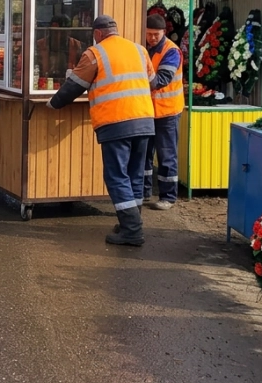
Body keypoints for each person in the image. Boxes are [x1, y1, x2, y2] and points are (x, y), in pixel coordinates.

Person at [47, 15, 155, 246]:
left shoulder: (94, 54)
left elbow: (73, 86)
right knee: (134, 174)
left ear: (97, 33)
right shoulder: (139, 50)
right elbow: (153, 81)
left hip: (116, 122)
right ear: (115, 30)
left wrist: (54, 103)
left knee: (116, 176)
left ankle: (132, 230)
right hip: (145, 120)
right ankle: (131, 223)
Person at [143, 14, 183, 210]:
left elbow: (162, 80)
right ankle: (143, 192)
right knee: (144, 154)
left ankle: (168, 197)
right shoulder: (144, 48)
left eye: (156, 35)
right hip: (148, 111)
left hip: (168, 112)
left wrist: (137, 77)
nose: (152, 38)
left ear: (164, 33)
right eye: (149, 34)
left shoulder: (171, 51)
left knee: (167, 155)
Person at [36, 14, 85, 80]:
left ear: (68, 31)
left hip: (69, 82)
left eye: (61, 31)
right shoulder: (41, 44)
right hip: (46, 82)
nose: (57, 34)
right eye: (54, 31)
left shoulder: (76, 45)